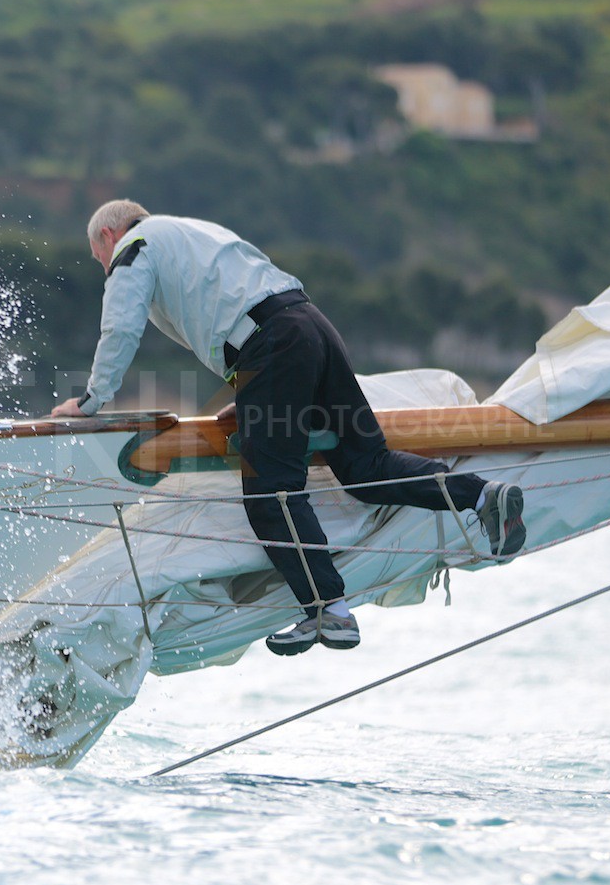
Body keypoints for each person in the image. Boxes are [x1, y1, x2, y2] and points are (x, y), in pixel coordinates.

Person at [51, 200, 525, 656]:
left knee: (270, 494)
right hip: (311, 328)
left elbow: (121, 328)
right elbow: (243, 302)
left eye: (101, 261)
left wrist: (90, 402)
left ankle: (328, 611)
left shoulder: (134, 248)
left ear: (108, 236)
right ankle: (483, 496)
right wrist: (252, 396)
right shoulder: (194, 233)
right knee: (365, 465)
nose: (107, 270)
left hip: (273, 348)